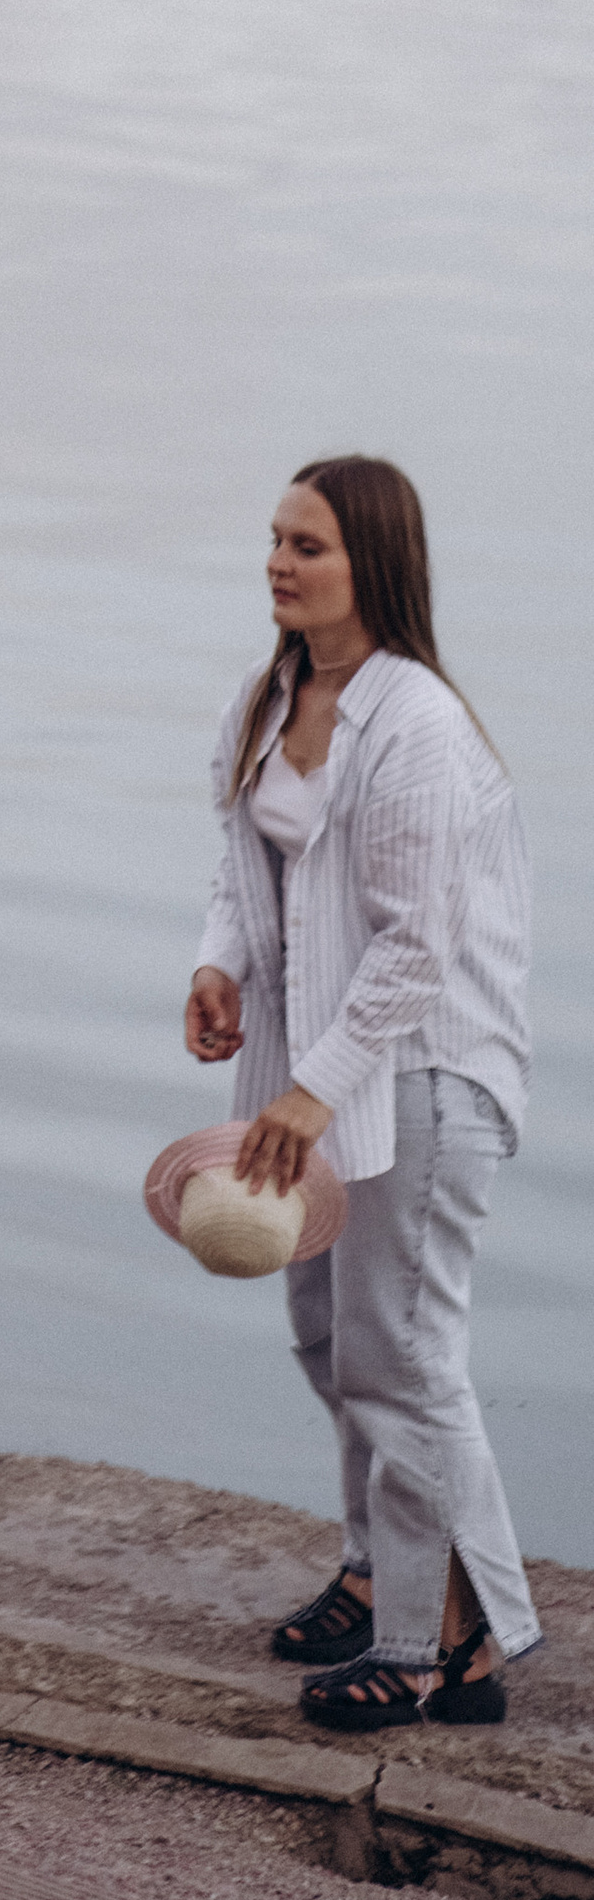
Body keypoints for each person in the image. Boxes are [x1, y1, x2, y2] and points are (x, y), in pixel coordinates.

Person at [185, 456, 535, 1733]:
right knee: (330, 1337)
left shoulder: (419, 728)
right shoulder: (269, 694)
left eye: (309, 546)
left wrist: (312, 1091)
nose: (279, 563)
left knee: (402, 1357)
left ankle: (443, 1642)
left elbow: (415, 946)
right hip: (315, 1079)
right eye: (274, 539)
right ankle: (375, 1563)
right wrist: (219, 961)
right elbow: (237, 858)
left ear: (370, 564)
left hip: (422, 1073)